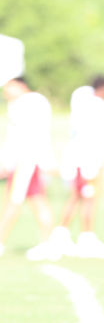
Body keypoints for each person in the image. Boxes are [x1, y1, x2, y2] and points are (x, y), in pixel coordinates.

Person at [52, 77, 104, 258]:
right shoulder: (96, 104)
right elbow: (94, 135)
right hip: (89, 161)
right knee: (89, 198)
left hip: (81, 160)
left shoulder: (81, 104)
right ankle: (86, 238)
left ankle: (62, 235)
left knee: (77, 197)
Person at [0, 77, 59, 260]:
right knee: (37, 200)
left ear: (18, 84)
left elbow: (26, 136)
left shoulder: (28, 102)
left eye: (7, 87)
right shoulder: (32, 102)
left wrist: (8, 161)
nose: (5, 92)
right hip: (30, 160)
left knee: (14, 201)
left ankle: (2, 241)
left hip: (26, 161)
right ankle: (48, 243)